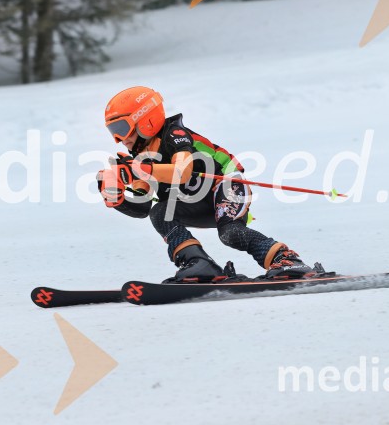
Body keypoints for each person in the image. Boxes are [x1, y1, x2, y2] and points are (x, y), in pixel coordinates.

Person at [96, 86, 313, 283]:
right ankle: (198, 263)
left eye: (122, 127)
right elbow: (143, 208)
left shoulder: (175, 134)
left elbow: (182, 172)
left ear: (146, 119)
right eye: (112, 131)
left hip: (226, 184)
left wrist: (140, 170)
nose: (119, 138)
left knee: (230, 232)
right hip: (197, 200)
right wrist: (117, 198)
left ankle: (286, 260)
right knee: (159, 212)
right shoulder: (140, 157)